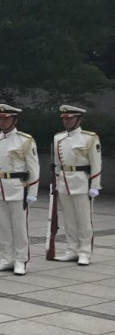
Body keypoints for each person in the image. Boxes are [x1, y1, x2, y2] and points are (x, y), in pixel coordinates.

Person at [0, 103, 39, 275]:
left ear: (14, 120)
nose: (2, 122)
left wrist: (32, 192)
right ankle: (6, 258)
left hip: (18, 187)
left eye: (6, 118)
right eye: (0, 118)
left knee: (19, 226)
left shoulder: (25, 140)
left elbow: (34, 168)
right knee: (3, 226)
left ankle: (20, 260)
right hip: (0, 187)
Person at [51, 105, 102, 266]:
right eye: (64, 119)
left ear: (79, 119)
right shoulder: (58, 138)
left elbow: (96, 163)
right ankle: (72, 249)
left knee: (84, 220)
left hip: (82, 182)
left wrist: (95, 185)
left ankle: (84, 252)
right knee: (69, 219)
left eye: (70, 118)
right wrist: (58, 181)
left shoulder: (89, 138)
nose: (66, 121)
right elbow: (57, 164)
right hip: (64, 181)